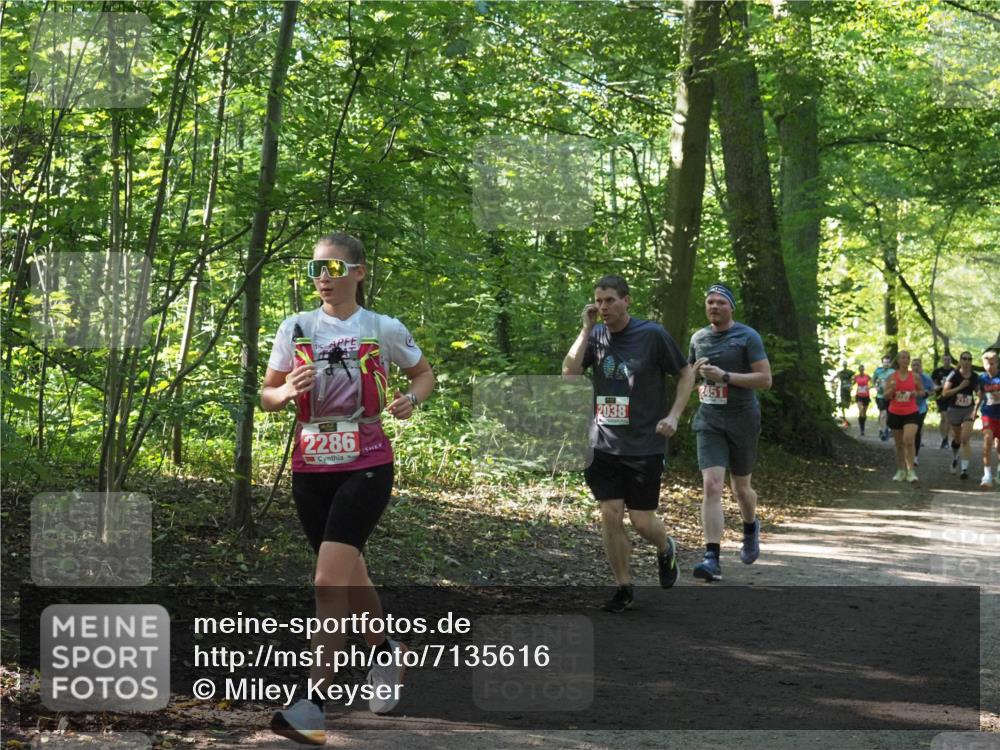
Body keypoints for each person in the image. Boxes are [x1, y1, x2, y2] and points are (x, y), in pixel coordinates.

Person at [261, 232, 435, 744]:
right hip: (311, 466)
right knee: (350, 577)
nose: (322, 277)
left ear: (358, 272)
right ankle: (387, 654)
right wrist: (286, 390)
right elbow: (267, 395)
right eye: (315, 268)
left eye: (334, 268)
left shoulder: (382, 327)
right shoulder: (294, 326)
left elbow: (424, 374)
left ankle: (313, 702)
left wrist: (411, 399)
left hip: (367, 462)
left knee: (326, 581)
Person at [563, 275, 695, 612]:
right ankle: (624, 586)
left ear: (626, 301)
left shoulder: (651, 335)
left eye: (609, 300)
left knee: (641, 521)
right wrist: (585, 328)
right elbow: (569, 373)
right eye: (598, 301)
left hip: (644, 444)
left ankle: (666, 548)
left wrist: (674, 416)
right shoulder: (595, 336)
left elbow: (686, 373)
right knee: (610, 512)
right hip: (602, 442)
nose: (603, 307)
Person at [687, 283, 772, 582]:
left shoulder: (747, 337)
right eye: (710, 302)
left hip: (743, 420)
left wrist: (726, 376)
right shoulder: (698, 338)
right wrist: (673, 411)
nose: (714, 307)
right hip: (709, 421)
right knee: (711, 485)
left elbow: (765, 379)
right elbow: (688, 375)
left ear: (731, 307)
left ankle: (750, 526)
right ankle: (712, 557)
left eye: (720, 302)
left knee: (741, 489)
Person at [884, 350, 925, 483]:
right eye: (903, 358)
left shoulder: (915, 377)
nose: (906, 360)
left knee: (908, 439)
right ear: (898, 360)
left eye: (908, 358)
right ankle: (901, 470)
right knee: (899, 444)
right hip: (895, 412)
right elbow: (885, 396)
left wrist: (915, 393)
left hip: (911, 412)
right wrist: (892, 389)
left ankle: (911, 471)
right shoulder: (891, 377)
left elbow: (922, 391)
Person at [942, 351, 977, 480]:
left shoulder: (974, 376)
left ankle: (964, 470)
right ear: (960, 360)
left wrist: (979, 393)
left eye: (969, 358)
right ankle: (955, 457)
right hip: (954, 410)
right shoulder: (954, 375)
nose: (967, 361)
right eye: (964, 358)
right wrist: (960, 387)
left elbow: (978, 390)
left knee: (965, 438)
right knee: (957, 438)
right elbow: (945, 393)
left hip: (969, 409)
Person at [977, 349, 1000, 488]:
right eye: (987, 364)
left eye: (992, 363)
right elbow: (980, 396)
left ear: (997, 363)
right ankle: (987, 475)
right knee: (987, 441)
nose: (989, 366)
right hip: (988, 414)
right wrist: (974, 411)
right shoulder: (982, 379)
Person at [911, 358, 935, 466]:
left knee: (916, 431)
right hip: (907, 408)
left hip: (921, 409)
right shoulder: (907, 377)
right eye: (914, 365)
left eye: (917, 365)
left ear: (921, 366)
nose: (916, 367)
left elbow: (933, 391)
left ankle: (915, 456)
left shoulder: (926, 378)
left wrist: (926, 393)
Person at [931, 353, 955, 448]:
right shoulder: (937, 371)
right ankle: (943, 438)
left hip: (951, 396)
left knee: (948, 418)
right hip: (940, 397)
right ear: (942, 360)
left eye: (948, 359)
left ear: (950, 360)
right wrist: (939, 387)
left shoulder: (954, 371)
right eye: (945, 359)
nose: (947, 361)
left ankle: (946, 439)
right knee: (943, 418)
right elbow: (933, 383)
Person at [873, 355, 895, 441]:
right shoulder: (878, 371)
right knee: (883, 413)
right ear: (882, 363)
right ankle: (882, 430)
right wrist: (876, 387)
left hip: (890, 395)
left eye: (887, 362)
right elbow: (873, 381)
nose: (886, 364)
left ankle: (887, 428)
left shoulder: (893, 371)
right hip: (880, 396)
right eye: (884, 362)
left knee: (889, 414)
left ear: (890, 363)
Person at [834, 363, 854, 427]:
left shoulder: (850, 372)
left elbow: (854, 378)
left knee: (847, 404)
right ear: (843, 365)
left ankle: (845, 418)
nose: (845, 366)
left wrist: (851, 385)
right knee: (843, 403)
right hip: (842, 390)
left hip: (848, 390)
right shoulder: (841, 372)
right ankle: (844, 418)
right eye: (844, 365)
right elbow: (835, 378)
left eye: (845, 364)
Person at [854, 365, 872, 436]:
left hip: (866, 396)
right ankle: (861, 429)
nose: (861, 370)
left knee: (864, 413)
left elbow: (873, 382)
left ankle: (863, 428)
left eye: (862, 369)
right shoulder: (856, 377)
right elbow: (852, 383)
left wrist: (869, 387)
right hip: (859, 395)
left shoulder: (867, 376)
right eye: (860, 369)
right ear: (859, 370)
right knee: (861, 410)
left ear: (864, 370)